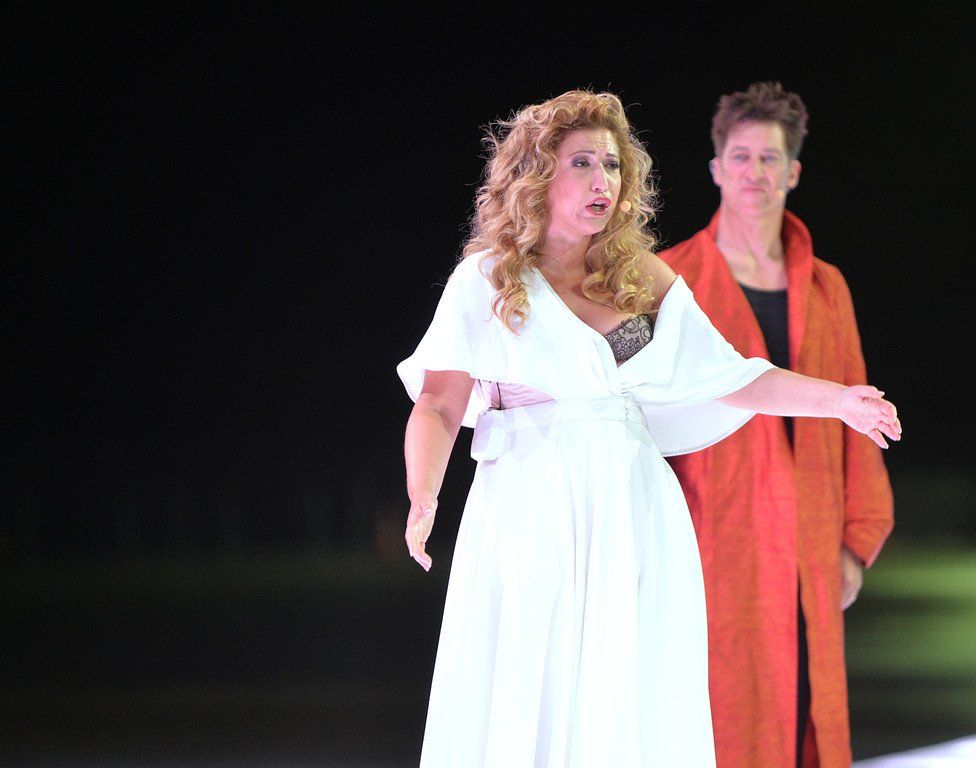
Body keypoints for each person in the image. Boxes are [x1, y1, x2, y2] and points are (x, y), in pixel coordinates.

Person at [397, 89, 900, 768]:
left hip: (634, 512)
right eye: (581, 163)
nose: (601, 180)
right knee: (534, 682)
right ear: (537, 174)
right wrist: (424, 495)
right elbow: (438, 403)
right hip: (534, 506)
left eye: (611, 165)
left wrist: (839, 402)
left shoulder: (639, 277)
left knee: (630, 696)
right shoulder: (487, 280)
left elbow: (731, 376)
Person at [658, 81, 895, 768]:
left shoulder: (826, 286)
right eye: (740, 157)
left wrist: (855, 543)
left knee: (803, 716)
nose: (754, 173)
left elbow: (855, 415)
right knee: (712, 714)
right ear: (715, 169)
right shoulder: (671, 279)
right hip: (710, 538)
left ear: (793, 172)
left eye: (770, 158)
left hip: (808, 539)